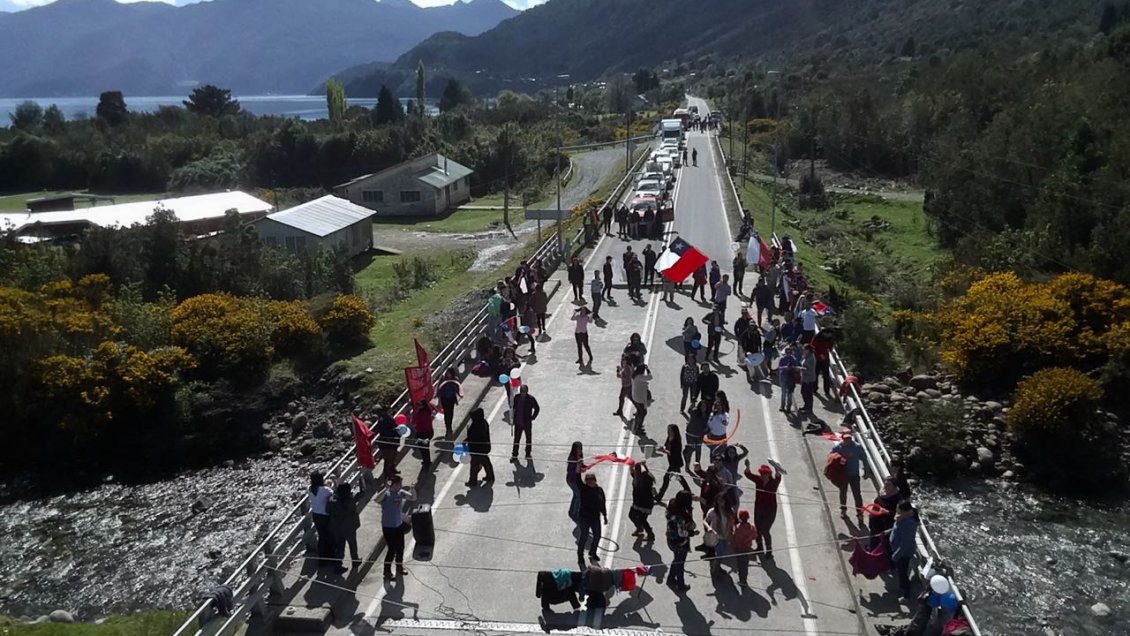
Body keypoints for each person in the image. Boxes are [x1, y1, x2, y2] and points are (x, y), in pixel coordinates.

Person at [376, 475, 415, 581]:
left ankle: (399, 566)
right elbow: (376, 500)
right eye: (400, 484)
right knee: (391, 550)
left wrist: (412, 489)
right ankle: (387, 572)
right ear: (395, 484)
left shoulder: (400, 493)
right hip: (388, 527)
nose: (401, 486)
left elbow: (413, 497)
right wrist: (386, 488)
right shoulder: (386, 495)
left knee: (400, 547)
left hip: (398, 525)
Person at [743, 461, 782, 557]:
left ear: (769, 474)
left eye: (766, 474)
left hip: (770, 510)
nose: (764, 476)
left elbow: (778, 476)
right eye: (762, 474)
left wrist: (777, 468)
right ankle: (759, 547)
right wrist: (748, 466)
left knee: (765, 530)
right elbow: (748, 474)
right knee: (758, 529)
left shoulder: (773, 482)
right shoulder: (758, 480)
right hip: (759, 508)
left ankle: (769, 550)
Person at [665, 489, 697, 592]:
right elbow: (681, 532)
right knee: (680, 563)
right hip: (680, 543)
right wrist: (692, 533)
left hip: (671, 539)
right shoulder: (680, 516)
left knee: (676, 560)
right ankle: (680, 584)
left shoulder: (672, 506)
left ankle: (670, 578)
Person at [888, 500, 919, 600]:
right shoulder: (901, 518)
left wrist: (896, 556)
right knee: (901, 572)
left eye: (898, 509)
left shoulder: (908, 524)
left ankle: (906, 595)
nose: (896, 510)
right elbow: (897, 529)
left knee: (903, 574)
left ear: (904, 511)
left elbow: (905, 543)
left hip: (903, 554)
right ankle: (901, 588)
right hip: (897, 549)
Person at [628, 462, 667, 541]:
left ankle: (650, 534)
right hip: (637, 502)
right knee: (631, 515)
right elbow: (633, 473)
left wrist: (642, 466)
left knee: (642, 519)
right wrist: (631, 467)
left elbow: (646, 474)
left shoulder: (646, 479)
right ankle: (639, 528)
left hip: (645, 503)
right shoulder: (637, 478)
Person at [576, 472, 608, 564]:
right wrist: (578, 467)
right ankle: (580, 556)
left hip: (595, 517)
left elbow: (603, 503)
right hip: (584, 518)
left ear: (595, 480)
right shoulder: (583, 489)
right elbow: (578, 479)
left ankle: (592, 552)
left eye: (592, 479)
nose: (590, 481)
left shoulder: (599, 490)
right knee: (584, 537)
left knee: (597, 536)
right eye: (588, 480)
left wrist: (605, 515)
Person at [329, 482, 361, 572]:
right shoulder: (351, 500)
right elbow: (362, 493)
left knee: (339, 547)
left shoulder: (333, 501)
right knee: (353, 545)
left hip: (337, 528)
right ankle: (355, 560)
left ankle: (338, 564)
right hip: (350, 527)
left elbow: (327, 509)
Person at [832, 432, 865, 517]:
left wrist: (866, 471)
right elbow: (831, 459)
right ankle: (843, 510)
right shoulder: (837, 448)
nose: (848, 440)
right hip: (843, 475)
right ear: (842, 438)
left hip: (854, 475)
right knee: (843, 493)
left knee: (857, 494)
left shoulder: (857, 447)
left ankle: (859, 512)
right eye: (846, 438)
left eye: (849, 438)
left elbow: (864, 458)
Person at [308, 471, 336, 569]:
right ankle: (332, 558)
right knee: (330, 536)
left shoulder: (311, 489)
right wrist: (332, 483)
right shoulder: (325, 490)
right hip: (325, 516)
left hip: (316, 515)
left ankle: (322, 560)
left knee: (322, 537)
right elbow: (333, 493)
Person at [704, 494, 736, 576]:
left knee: (721, 554)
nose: (720, 502)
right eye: (718, 500)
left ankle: (717, 568)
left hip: (725, 535)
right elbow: (705, 521)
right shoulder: (713, 511)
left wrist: (731, 531)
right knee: (719, 554)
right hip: (716, 537)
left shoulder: (729, 511)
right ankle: (715, 571)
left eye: (722, 500)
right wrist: (708, 528)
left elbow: (731, 522)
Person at [868, 476, 902, 550]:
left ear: (894, 486)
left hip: (884, 525)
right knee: (873, 541)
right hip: (874, 522)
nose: (886, 486)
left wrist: (887, 512)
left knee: (882, 545)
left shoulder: (897, 499)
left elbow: (899, 514)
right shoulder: (882, 492)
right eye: (885, 484)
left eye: (889, 485)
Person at [465, 407, 495, 487]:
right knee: (486, 463)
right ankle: (490, 476)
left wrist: (466, 441)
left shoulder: (477, 425)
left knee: (474, 466)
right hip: (483, 448)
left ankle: (473, 481)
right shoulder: (483, 422)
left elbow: (473, 436)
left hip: (477, 449)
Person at [510, 384, 540, 461]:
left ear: (527, 392)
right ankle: (514, 455)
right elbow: (513, 407)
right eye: (522, 391)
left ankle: (528, 453)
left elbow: (537, 408)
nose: (523, 393)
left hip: (527, 422)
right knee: (516, 439)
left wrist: (533, 417)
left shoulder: (531, 399)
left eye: (524, 392)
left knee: (528, 439)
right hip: (518, 422)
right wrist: (512, 418)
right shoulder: (516, 398)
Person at [373, 405, 400, 481]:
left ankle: (392, 470)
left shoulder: (384, 418)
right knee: (389, 459)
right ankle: (388, 474)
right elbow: (387, 430)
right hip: (388, 442)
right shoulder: (384, 418)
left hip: (390, 441)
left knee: (392, 457)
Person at [732, 509, 758, 587]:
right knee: (745, 564)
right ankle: (744, 579)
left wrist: (733, 547)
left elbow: (735, 539)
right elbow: (754, 537)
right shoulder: (752, 527)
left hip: (739, 549)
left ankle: (742, 580)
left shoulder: (738, 528)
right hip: (747, 549)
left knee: (740, 565)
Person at [436, 368, 463, 439]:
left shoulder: (455, 379)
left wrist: (460, 394)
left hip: (451, 399)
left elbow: (457, 388)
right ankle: (448, 427)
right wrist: (438, 397)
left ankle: (449, 426)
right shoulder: (443, 379)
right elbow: (439, 388)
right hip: (444, 399)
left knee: (450, 413)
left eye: (450, 373)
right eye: (447, 373)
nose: (448, 375)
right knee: (446, 413)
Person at [410, 400, 436, 468]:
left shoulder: (419, 414)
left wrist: (414, 414)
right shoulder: (428, 411)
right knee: (426, 448)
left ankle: (426, 462)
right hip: (429, 432)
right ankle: (427, 461)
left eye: (419, 405)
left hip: (422, 433)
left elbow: (413, 421)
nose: (418, 406)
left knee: (423, 449)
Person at [566, 441, 588, 521]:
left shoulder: (580, 456)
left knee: (576, 495)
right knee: (579, 495)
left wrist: (584, 467)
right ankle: (575, 512)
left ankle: (572, 510)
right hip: (572, 480)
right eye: (578, 449)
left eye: (581, 448)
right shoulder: (572, 458)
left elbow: (582, 465)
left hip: (577, 479)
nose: (580, 450)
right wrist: (578, 468)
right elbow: (570, 471)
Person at [684, 398, 709, 467]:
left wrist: (707, 430)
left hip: (700, 435)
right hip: (690, 434)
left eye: (705, 406)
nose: (703, 408)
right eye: (702, 406)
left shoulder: (707, 415)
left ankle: (697, 465)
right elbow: (689, 410)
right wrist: (692, 403)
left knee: (698, 450)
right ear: (699, 406)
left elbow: (707, 426)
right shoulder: (694, 411)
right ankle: (687, 464)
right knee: (691, 450)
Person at [812, 330, 836, 398]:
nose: (829, 335)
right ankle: (814, 389)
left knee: (826, 375)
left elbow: (830, 346)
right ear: (824, 333)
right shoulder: (816, 338)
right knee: (815, 374)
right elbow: (813, 348)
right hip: (817, 359)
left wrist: (831, 350)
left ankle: (827, 390)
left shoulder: (829, 339)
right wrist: (819, 354)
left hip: (825, 359)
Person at [631, 363, 653, 433]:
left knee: (639, 412)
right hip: (639, 398)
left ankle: (637, 426)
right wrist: (648, 370)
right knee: (643, 412)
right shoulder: (639, 377)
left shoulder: (635, 375)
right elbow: (650, 377)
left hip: (636, 396)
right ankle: (638, 428)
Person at [778, 345, 798, 413]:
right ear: (785, 353)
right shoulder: (782, 359)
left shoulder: (793, 359)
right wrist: (785, 367)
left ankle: (788, 407)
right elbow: (780, 368)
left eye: (790, 352)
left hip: (791, 379)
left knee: (790, 394)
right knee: (783, 393)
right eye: (787, 352)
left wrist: (791, 367)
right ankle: (782, 406)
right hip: (783, 378)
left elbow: (795, 368)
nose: (789, 354)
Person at [799, 343, 818, 413]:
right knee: (803, 392)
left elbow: (810, 370)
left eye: (805, 350)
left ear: (808, 350)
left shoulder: (811, 358)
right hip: (804, 378)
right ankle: (806, 406)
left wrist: (801, 369)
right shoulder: (806, 356)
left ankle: (809, 408)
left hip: (809, 379)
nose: (803, 351)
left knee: (808, 394)